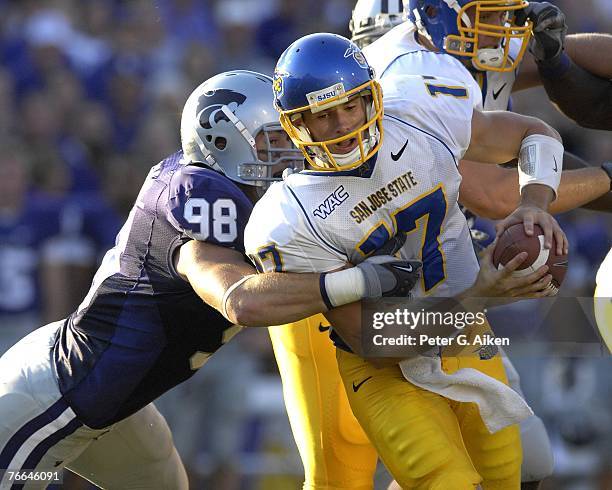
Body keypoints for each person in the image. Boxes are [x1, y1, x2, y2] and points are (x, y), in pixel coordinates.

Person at [0, 70, 416, 489]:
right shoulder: (199, 195)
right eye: (273, 139)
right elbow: (241, 300)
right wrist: (358, 281)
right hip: (57, 394)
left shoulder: (233, 190)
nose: (291, 151)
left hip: (115, 406)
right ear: (223, 141)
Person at [267, 3, 612, 488]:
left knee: (522, 467)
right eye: (322, 116)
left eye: (351, 105)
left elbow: (536, 126)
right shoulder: (291, 212)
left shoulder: (420, 106)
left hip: (452, 317)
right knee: (343, 475)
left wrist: (536, 198)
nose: (344, 126)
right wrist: (481, 293)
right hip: (374, 337)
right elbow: (374, 338)